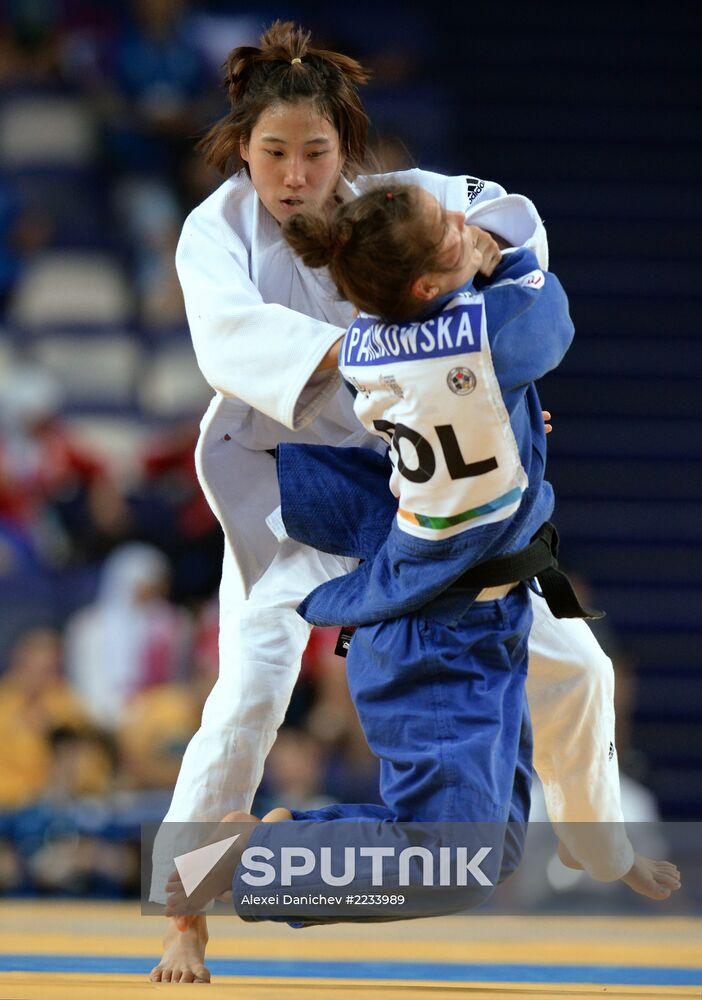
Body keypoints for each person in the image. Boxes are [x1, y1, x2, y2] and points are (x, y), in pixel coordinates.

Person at [149, 21, 678, 984]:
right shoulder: (212, 233)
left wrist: (460, 350)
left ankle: (598, 844)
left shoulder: (397, 207)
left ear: (346, 146)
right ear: (242, 149)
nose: (296, 174)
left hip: (410, 496)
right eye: (274, 153)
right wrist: (452, 362)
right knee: (250, 695)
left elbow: (512, 220)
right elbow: (231, 348)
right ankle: (185, 906)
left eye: (316, 152)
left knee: (581, 667)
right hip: (292, 481)